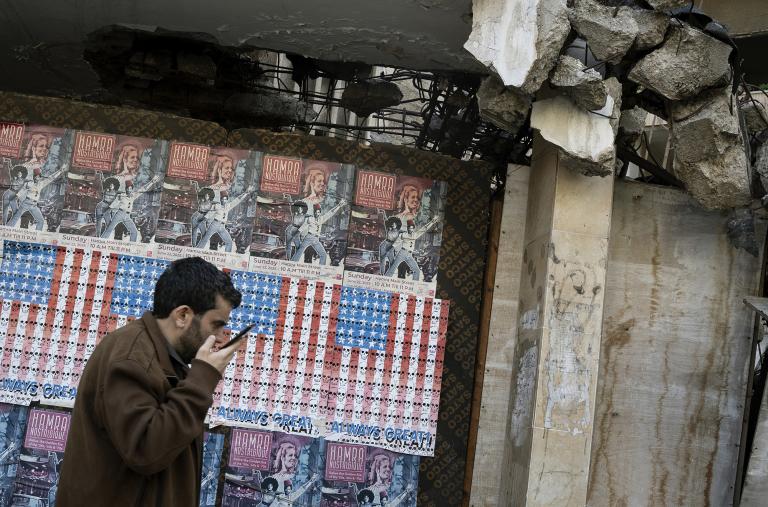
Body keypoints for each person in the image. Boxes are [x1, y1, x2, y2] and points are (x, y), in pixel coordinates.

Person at [57, 257, 249, 506]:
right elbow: (146, 449)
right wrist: (202, 379)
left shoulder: (166, 357)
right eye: (216, 325)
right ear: (182, 315)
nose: (221, 337)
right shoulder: (132, 356)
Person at [7, 166, 66, 230]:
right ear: (34, 176)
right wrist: (16, 196)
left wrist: (60, 170)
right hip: (26, 203)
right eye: (36, 176)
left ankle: (37, 234)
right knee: (16, 217)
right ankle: (6, 229)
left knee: (41, 221)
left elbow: (51, 178)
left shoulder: (41, 183)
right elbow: (22, 190)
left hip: (34, 205)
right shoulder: (29, 183)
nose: (37, 178)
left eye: (39, 176)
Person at [384, 216, 439, 281]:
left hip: (409, 255)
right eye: (409, 228)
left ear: (413, 229)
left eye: (412, 228)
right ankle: (384, 280)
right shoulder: (403, 235)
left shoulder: (415, 235)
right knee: (392, 269)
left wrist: (432, 221)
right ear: (407, 228)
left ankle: (414, 285)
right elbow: (396, 243)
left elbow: (424, 228)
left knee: (417, 271)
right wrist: (389, 250)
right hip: (402, 253)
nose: (411, 229)